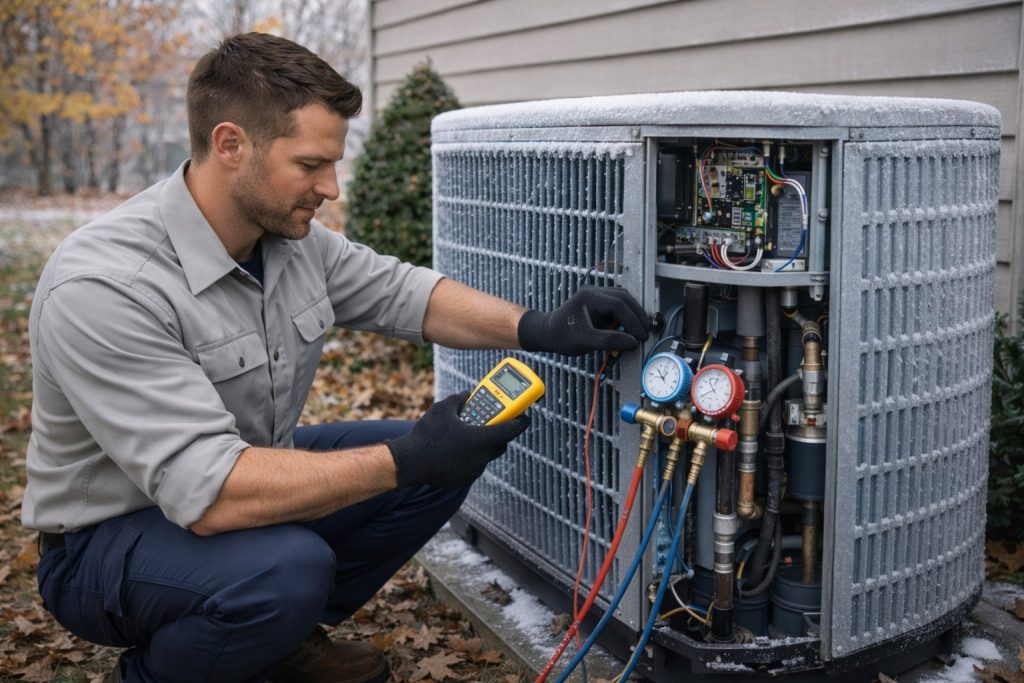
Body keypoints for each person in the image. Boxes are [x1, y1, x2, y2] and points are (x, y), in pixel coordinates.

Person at [22, 32, 650, 683]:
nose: (331, 186)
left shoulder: (286, 242)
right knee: (292, 564)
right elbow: (207, 492)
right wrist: (404, 461)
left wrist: (540, 326)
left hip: (237, 484)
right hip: (105, 540)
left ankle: (268, 638)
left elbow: (407, 296)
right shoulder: (108, 284)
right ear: (230, 145)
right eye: (311, 164)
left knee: (441, 456)